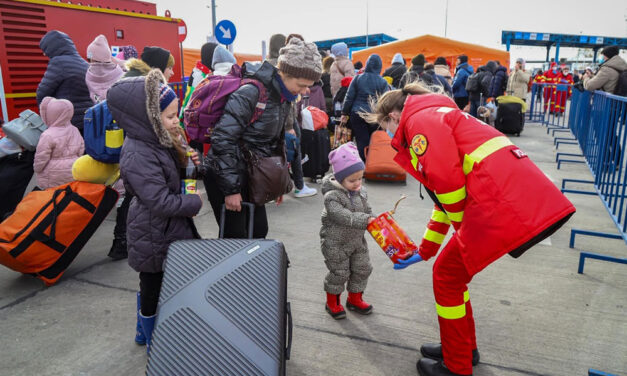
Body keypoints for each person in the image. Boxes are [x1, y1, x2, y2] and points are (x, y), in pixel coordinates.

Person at [364, 83, 576, 376]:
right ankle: (461, 347)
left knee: (447, 276)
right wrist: (425, 251)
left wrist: (462, 232)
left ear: (392, 115)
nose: (387, 133)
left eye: (384, 125)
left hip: (498, 203)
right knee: (453, 276)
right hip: (503, 199)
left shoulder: (418, 122)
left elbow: (449, 186)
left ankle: (457, 365)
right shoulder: (436, 114)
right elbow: (444, 198)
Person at [107, 69, 203, 353]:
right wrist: (192, 203)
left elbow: (180, 180)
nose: (177, 121)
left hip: (169, 229)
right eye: (171, 116)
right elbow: (159, 200)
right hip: (152, 231)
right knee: (152, 286)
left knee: (164, 283)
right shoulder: (138, 152)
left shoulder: (162, 139)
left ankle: (144, 329)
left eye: (177, 114)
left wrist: (191, 165)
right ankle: (152, 340)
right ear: (147, 118)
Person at [204, 38, 322, 238]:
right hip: (227, 175)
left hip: (251, 176)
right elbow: (223, 140)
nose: (304, 91)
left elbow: (274, 143)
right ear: (284, 73)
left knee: (259, 231)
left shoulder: (284, 98)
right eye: (301, 85)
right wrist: (231, 190)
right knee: (236, 238)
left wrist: (274, 183)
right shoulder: (251, 93)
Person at [320, 142, 374, 319]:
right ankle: (332, 303)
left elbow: (367, 210)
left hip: (357, 241)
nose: (357, 183)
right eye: (352, 180)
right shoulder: (332, 197)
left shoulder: (361, 192)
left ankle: (355, 299)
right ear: (339, 178)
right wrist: (366, 220)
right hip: (336, 244)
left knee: (362, 268)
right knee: (339, 273)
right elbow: (342, 216)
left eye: (360, 178)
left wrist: (377, 221)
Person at [37, 30, 92, 132]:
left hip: (67, 120)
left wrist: (46, 118)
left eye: (45, 50)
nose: (45, 54)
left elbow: (42, 93)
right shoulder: (84, 63)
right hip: (87, 119)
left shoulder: (58, 62)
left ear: (52, 47)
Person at [340, 54, 389, 161]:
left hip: (357, 114)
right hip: (374, 116)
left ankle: (363, 164)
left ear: (367, 64)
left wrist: (344, 113)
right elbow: (386, 101)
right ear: (379, 67)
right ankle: (373, 164)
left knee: (361, 140)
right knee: (374, 140)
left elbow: (349, 97)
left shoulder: (357, 78)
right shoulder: (383, 82)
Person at [33, 97, 84, 189]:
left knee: (53, 196)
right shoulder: (74, 129)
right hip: (73, 168)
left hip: (52, 173)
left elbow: (41, 156)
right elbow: (81, 148)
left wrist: (37, 169)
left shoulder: (47, 134)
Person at [85, 34, 124, 104]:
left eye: (90, 59)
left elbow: (96, 99)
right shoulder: (121, 75)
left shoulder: (88, 77)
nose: (89, 62)